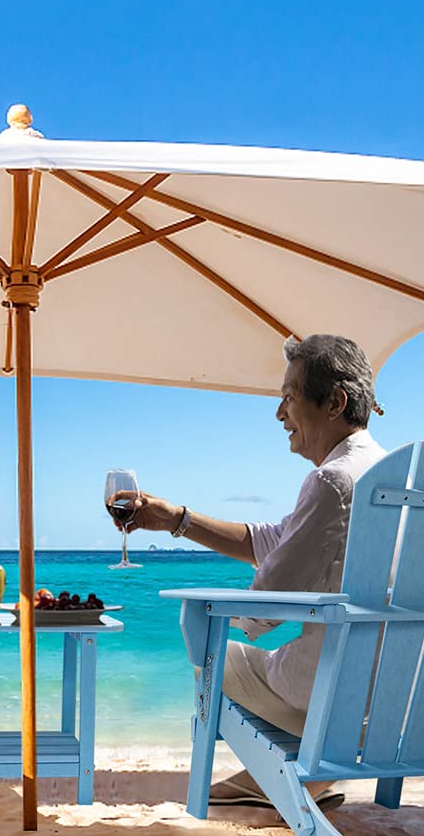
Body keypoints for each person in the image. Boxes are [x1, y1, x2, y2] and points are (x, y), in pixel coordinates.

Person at [119, 334, 386, 810]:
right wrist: (177, 519)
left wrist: (231, 617)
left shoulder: (333, 481)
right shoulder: (392, 477)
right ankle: (275, 778)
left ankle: (279, 779)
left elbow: (266, 606)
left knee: (210, 648)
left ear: (334, 403)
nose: (279, 414)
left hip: (336, 701)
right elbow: (275, 542)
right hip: (402, 701)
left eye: (288, 398)